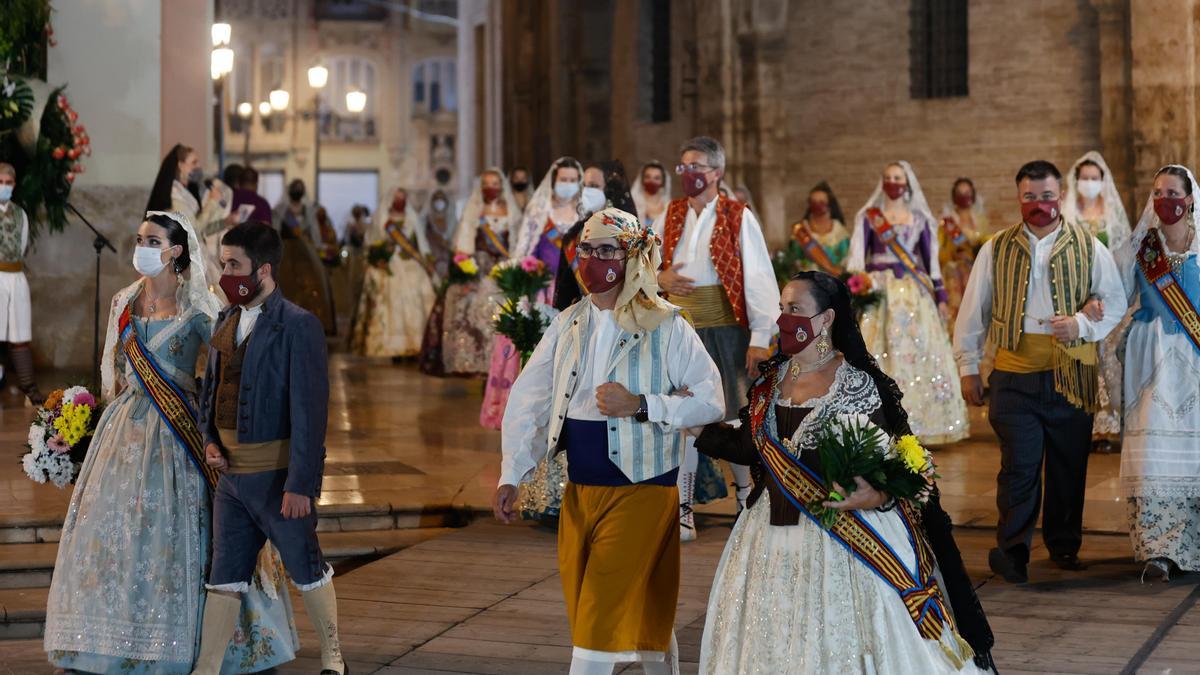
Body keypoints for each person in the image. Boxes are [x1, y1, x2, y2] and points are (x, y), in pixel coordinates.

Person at [695, 271, 994, 674]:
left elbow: (902, 467)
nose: (785, 319)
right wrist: (689, 423)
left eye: (796, 309)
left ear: (826, 319)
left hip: (845, 540)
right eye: (782, 309)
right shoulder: (771, 380)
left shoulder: (857, 384)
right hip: (766, 535)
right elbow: (750, 448)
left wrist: (877, 495)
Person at [44, 213, 296, 674]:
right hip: (123, 432)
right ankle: (101, 640)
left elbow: (226, 372)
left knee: (189, 533)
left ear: (176, 250)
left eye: (152, 240)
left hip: (179, 432)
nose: (142, 245)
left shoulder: (199, 307)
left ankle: (201, 644)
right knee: (113, 534)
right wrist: (84, 422)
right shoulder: (123, 299)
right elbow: (113, 371)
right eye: (138, 238)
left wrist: (227, 432)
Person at [494, 207, 724, 675]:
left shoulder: (668, 325)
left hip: (644, 488)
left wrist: (642, 403)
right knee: (613, 607)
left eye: (605, 250)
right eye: (585, 249)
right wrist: (512, 474)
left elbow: (711, 400)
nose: (591, 260)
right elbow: (530, 401)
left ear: (634, 257)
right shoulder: (568, 324)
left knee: (598, 615)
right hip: (581, 491)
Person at [954, 160, 1127, 583]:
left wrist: (1082, 325)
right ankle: (1011, 551)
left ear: (1060, 197)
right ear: (1019, 198)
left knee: (1068, 466)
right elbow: (972, 311)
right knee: (1020, 464)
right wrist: (969, 366)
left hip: (1072, 376)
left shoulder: (1090, 247)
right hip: (1013, 375)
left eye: (1047, 196)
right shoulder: (995, 248)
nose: (1039, 205)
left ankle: (1064, 546)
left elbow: (1116, 303)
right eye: (1030, 197)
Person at [192, 222, 346, 675]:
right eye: (223, 264)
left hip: (279, 481)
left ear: (263, 269)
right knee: (224, 577)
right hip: (231, 481)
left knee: (307, 568)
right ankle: (207, 667)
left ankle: (333, 657)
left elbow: (310, 413)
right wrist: (209, 441)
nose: (225, 274)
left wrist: (301, 484)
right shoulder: (226, 319)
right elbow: (210, 393)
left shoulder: (298, 325)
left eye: (233, 265)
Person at [654, 136, 781, 541]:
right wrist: (660, 277)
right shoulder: (668, 214)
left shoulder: (736, 215)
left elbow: (759, 276)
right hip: (678, 327)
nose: (689, 174)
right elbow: (642, 262)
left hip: (727, 327)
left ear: (717, 173)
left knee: (732, 414)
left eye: (697, 167)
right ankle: (684, 508)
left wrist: (760, 337)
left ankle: (745, 498)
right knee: (682, 416)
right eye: (684, 167)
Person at [1117, 165, 1200, 581]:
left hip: (1196, 361)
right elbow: (1115, 297)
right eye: (1158, 193)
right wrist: (1092, 314)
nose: (1165, 200)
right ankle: (1159, 549)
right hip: (1150, 361)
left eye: (1173, 192)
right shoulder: (1140, 248)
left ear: (1190, 198)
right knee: (1154, 454)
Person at [848, 161, 968, 445]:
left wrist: (940, 297)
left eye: (898, 178)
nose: (893, 183)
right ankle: (876, 424)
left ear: (907, 183)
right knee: (875, 352)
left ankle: (921, 422)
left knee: (922, 351)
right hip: (880, 293)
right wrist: (858, 288)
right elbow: (857, 260)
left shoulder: (920, 219)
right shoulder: (869, 217)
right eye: (888, 177)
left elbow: (931, 264)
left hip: (914, 295)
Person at [480, 157, 584, 432]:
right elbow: (524, 253)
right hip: (542, 294)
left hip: (575, 296)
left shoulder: (584, 215)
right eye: (564, 179)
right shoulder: (540, 213)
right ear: (553, 182)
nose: (568, 185)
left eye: (573, 180)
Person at [1063, 152, 1133, 452]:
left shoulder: (1112, 214)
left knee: (1107, 358)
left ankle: (1107, 427)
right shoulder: (1068, 213)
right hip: (1075, 293)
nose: (1089, 183)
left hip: (1107, 291)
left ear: (1103, 182)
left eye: (1094, 178)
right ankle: (1079, 421)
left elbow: (1122, 252)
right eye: (1085, 178)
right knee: (1080, 356)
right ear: (1076, 181)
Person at [442, 168, 522, 375]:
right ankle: (479, 362)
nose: (491, 188)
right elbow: (464, 242)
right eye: (486, 184)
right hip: (480, 270)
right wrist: (467, 265)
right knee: (476, 312)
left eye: (495, 184)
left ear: (502, 186)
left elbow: (518, 241)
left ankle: (503, 361)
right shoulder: (474, 210)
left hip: (505, 269)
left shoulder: (511, 211)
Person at [353, 186, 436, 359]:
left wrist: (427, 261)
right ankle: (395, 345)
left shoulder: (411, 218)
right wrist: (377, 258)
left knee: (417, 290)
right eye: (397, 197)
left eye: (403, 197)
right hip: (390, 264)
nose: (400, 201)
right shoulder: (382, 219)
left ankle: (417, 344)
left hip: (410, 263)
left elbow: (420, 242)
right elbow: (372, 243)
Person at [147, 144, 232, 293]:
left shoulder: (186, 193)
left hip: (200, 256)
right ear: (180, 165)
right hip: (188, 262)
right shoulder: (175, 196)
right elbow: (193, 229)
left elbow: (203, 230)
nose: (198, 167)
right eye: (193, 163)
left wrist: (225, 222)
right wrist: (212, 202)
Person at [0, 163, 42, 404]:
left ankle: (29, 386)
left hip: (16, 276)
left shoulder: (20, 214)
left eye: (8, 183)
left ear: (14, 185)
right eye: (0, 182)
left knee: (20, 330)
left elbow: (23, 243)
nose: (4, 187)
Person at [272, 178, 336, 335]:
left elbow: (314, 231)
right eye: (296, 187)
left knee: (312, 284)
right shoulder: (281, 209)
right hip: (285, 250)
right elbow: (275, 229)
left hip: (305, 252)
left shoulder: (308, 209)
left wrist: (319, 246)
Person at [939, 178, 990, 330]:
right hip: (954, 273)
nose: (964, 196)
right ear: (954, 196)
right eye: (960, 193)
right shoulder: (946, 223)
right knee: (956, 309)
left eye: (967, 192)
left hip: (975, 271)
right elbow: (940, 250)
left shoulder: (980, 220)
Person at [785, 181, 851, 278]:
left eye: (821, 202)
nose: (817, 205)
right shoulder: (801, 231)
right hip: (807, 283)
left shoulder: (839, 231)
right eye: (813, 202)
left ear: (829, 204)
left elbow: (846, 260)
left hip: (834, 282)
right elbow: (793, 259)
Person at [630, 161, 670, 228]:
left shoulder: (668, 205)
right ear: (642, 179)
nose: (652, 181)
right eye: (647, 177)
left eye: (656, 178)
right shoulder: (634, 203)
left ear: (663, 182)